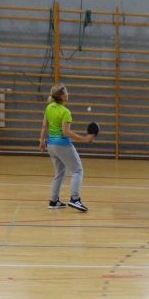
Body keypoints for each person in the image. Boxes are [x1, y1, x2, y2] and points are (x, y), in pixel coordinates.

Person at [39, 84, 94, 212]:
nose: (68, 94)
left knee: (60, 173)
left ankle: (53, 201)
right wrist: (85, 139)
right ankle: (75, 199)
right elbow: (66, 132)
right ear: (62, 96)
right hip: (62, 145)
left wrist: (41, 141)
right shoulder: (65, 112)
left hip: (51, 145)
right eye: (66, 92)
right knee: (77, 171)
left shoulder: (49, 107)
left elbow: (44, 126)